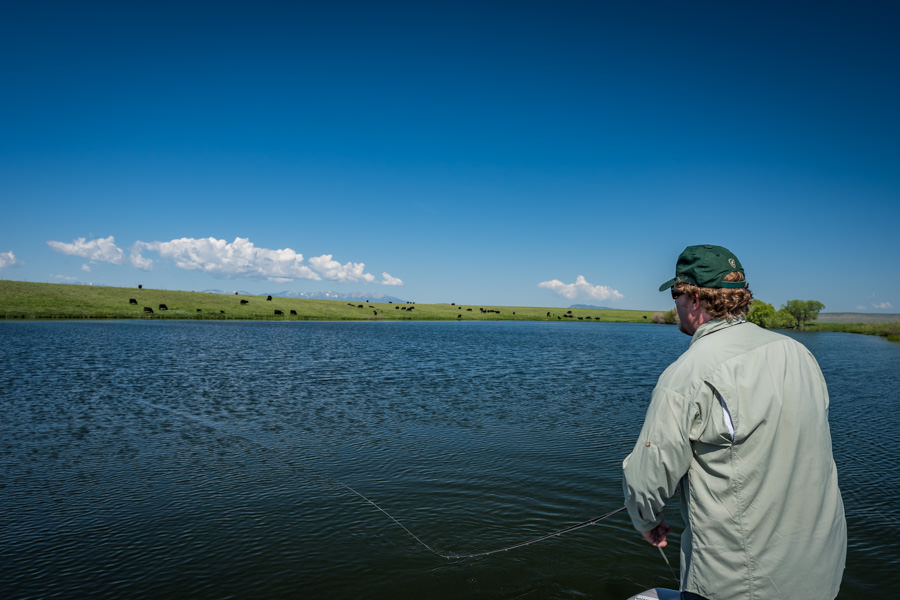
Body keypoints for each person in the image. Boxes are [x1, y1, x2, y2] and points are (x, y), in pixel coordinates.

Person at [622, 244, 846, 600]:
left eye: (676, 293)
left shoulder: (686, 375)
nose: (674, 303)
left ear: (694, 299)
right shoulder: (799, 353)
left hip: (736, 585)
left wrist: (648, 523)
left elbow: (646, 483)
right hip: (822, 571)